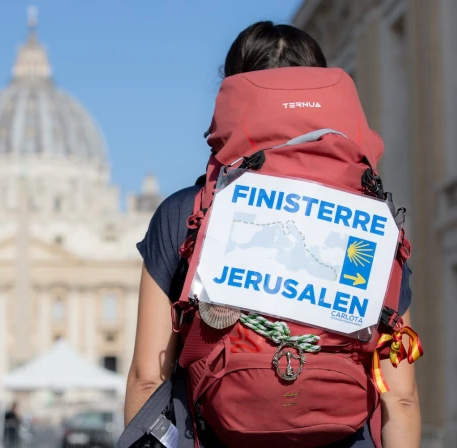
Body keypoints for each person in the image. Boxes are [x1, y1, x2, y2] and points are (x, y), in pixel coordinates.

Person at [124, 21, 421, 448]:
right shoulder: (372, 223)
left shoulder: (186, 212)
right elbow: (402, 398)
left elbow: (147, 376)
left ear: (231, 96)